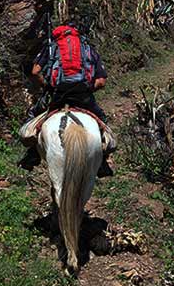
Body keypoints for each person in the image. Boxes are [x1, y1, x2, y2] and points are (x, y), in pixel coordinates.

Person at [18, 23, 114, 176]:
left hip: (57, 95)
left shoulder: (51, 47)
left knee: (34, 116)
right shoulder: (87, 48)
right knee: (102, 120)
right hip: (83, 95)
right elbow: (101, 81)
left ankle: (32, 154)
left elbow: (35, 71)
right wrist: (88, 88)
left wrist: (47, 85)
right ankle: (103, 159)